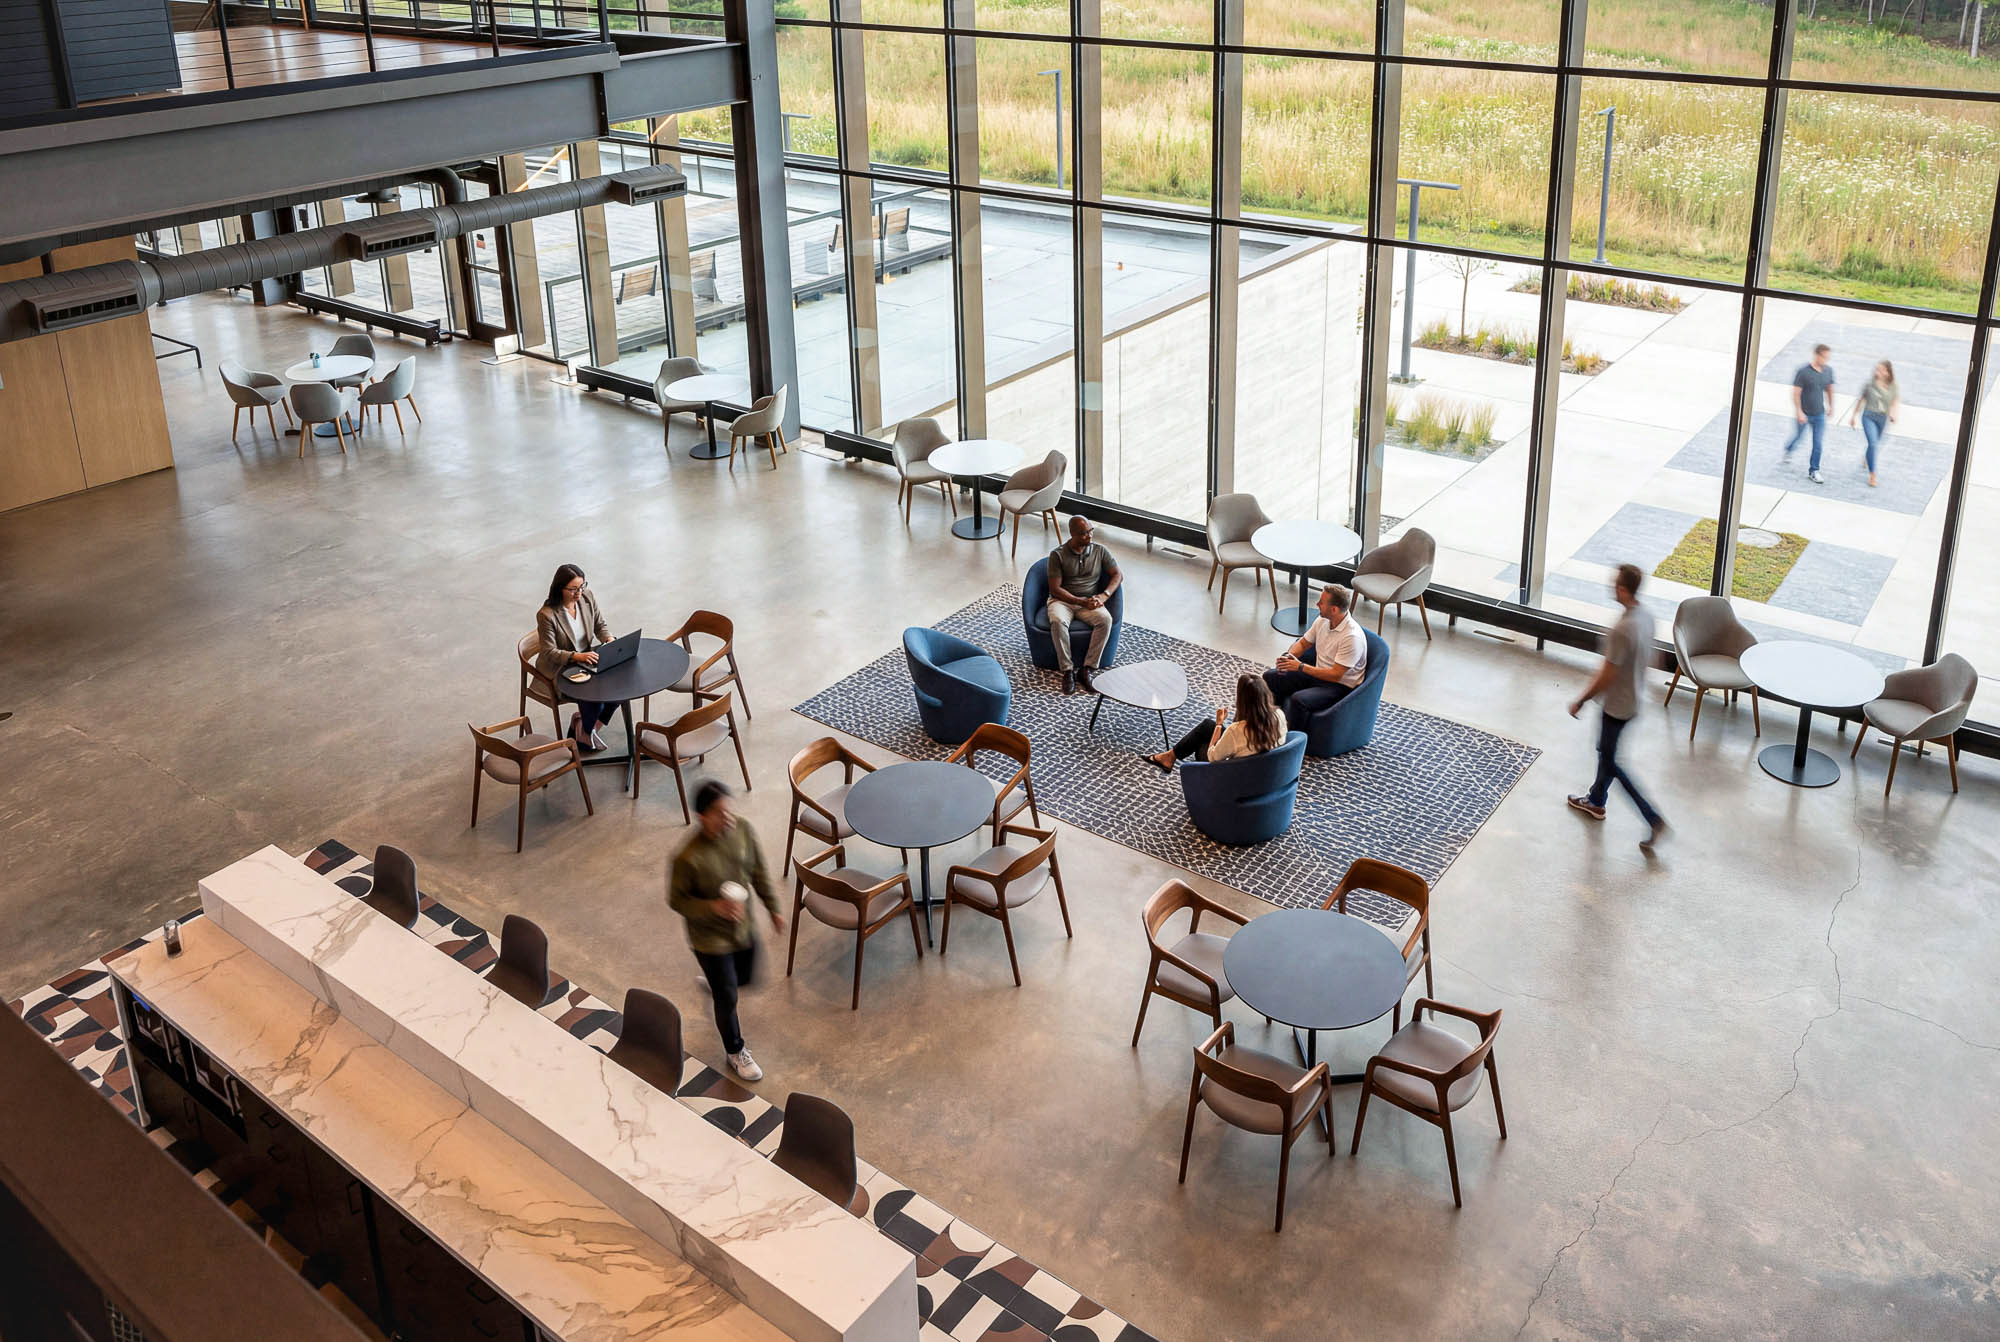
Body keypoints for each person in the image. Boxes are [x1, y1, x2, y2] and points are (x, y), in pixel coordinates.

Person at [667, 781, 785, 1082]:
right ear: (701, 816)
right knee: (728, 995)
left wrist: (773, 908)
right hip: (709, 939)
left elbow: (758, 870)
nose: (728, 818)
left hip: (742, 927)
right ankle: (735, 1051)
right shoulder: (687, 858)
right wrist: (714, 908)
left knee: (746, 977)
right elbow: (676, 900)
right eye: (719, 813)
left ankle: (717, 983)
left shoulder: (742, 830)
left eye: (729, 810)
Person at [1567, 563, 1668, 849]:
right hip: (1635, 698)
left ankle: (1653, 818)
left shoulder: (1623, 630)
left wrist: (1581, 700)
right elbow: (1655, 657)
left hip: (1617, 705)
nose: (1612, 586)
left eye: (1615, 583)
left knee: (1611, 761)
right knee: (1606, 753)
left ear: (1622, 589)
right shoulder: (1646, 616)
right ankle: (1596, 801)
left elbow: (1607, 674)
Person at [535, 563, 624, 752]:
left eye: (582, 586)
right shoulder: (547, 615)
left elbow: (599, 624)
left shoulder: (586, 597)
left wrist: (608, 638)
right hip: (562, 666)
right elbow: (549, 652)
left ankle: (586, 728)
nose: (579, 593)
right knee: (593, 696)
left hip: (587, 657)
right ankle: (586, 731)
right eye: (573, 589)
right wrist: (578, 656)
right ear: (560, 588)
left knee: (619, 689)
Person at [1261, 584, 1367, 734]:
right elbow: (1303, 643)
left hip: (1339, 685)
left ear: (1334, 609)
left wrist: (1300, 667)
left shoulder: (1351, 637)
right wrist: (1289, 656)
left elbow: (1335, 674)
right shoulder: (1323, 620)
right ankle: (1270, 724)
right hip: (1317, 673)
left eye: (1321, 602)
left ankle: (1291, 742)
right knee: (1270, 677)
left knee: (1299, 700)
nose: (1317, 604)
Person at [1146, 673, 1286, 772]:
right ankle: (1169, 756)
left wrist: (1219, 724)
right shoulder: (1279, 715)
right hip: (1262, 767)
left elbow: (1213, 757)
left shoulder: (1237, 730)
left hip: (1235, 773)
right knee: (1208, 726)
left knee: (1201, 747)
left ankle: (1170, 757)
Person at [1046, 516, 1123, 695]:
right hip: (1062, 601)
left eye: (1090, 531)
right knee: (1057, 621)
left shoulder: (1100, 551)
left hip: (1090, 601)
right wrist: (1080, 601)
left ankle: (1087, 669)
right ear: (1072, 534)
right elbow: (1055, 589)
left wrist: (1104, 596)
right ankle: (1067, 671)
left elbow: (1118, 575)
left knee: (1105, 620)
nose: (1089, 536)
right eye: (1084, 534)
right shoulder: (1057, 555)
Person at [1781, 343, 1837, 485]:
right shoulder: (1803, 372)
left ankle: (1814, 470)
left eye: (1827, 358)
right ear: (1816, 355)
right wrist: (1799, 412)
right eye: (1824, 357)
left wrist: (1831, 406)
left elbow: (1829, 389)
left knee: (1818, 443)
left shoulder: (1828, 371)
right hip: (1804, 414)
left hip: (1819, 415)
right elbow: (1796, 394)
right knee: (1799, 437)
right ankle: (1788, 449)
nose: (1826, 360)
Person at [1845, 360, 1900, 488]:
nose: (1877, 372)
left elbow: (1895, 401)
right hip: (1868, 416)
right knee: (1873, 443)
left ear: (1887, 372)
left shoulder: (1893, 386)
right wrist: (1853, 416)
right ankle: (1872, 474)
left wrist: (1893, 413)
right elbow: (1861, 400)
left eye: (1880, 370)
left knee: (1873, 444)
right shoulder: (1869, 384)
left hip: (1882, 418)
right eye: (1876, 369)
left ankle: (1867, 457)